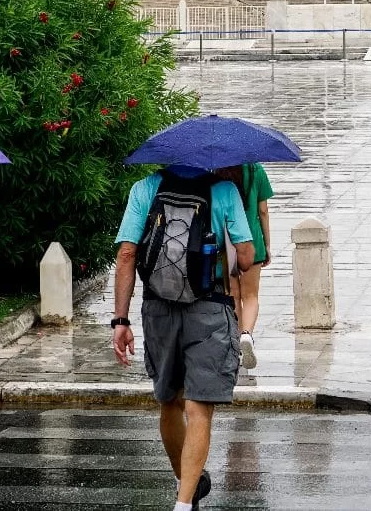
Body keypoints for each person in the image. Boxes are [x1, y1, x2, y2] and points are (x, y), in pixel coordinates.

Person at [111, 165, 254, 511]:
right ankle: (184, 502)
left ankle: (183, 479)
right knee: (199, 407)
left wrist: (120, 320)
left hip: (158, 309)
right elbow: (247, 258)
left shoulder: (145, 188)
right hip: (210, 309)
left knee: (170, 401)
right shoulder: (224, 191)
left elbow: (127, 254)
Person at [219, 163, 274, 370]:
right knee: (251, 295)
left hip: (228, 241)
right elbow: (263, 210)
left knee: (233, 294)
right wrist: (267, 244)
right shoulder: (256, 170)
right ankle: (247, 335)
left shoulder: (217, 171)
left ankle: (237, 342)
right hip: (253, 242)